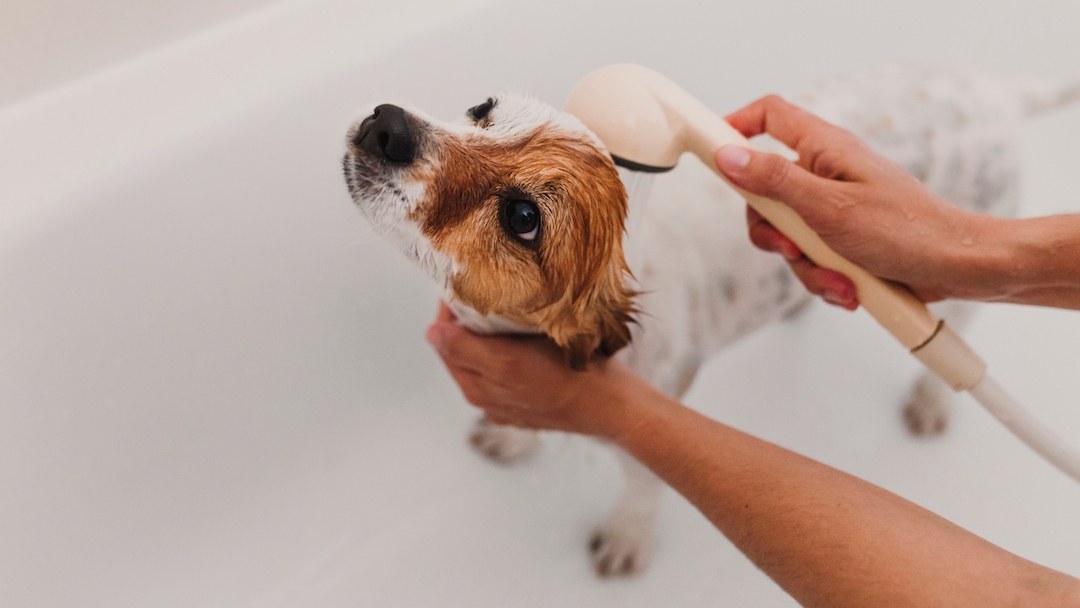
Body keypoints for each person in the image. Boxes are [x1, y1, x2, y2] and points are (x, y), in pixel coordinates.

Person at [424, 95, 1080, 607]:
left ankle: (938, 384)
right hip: (890, 133)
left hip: (961, 151)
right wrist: (977, 250)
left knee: (954, 306)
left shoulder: (649, 325)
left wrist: (623, 446)